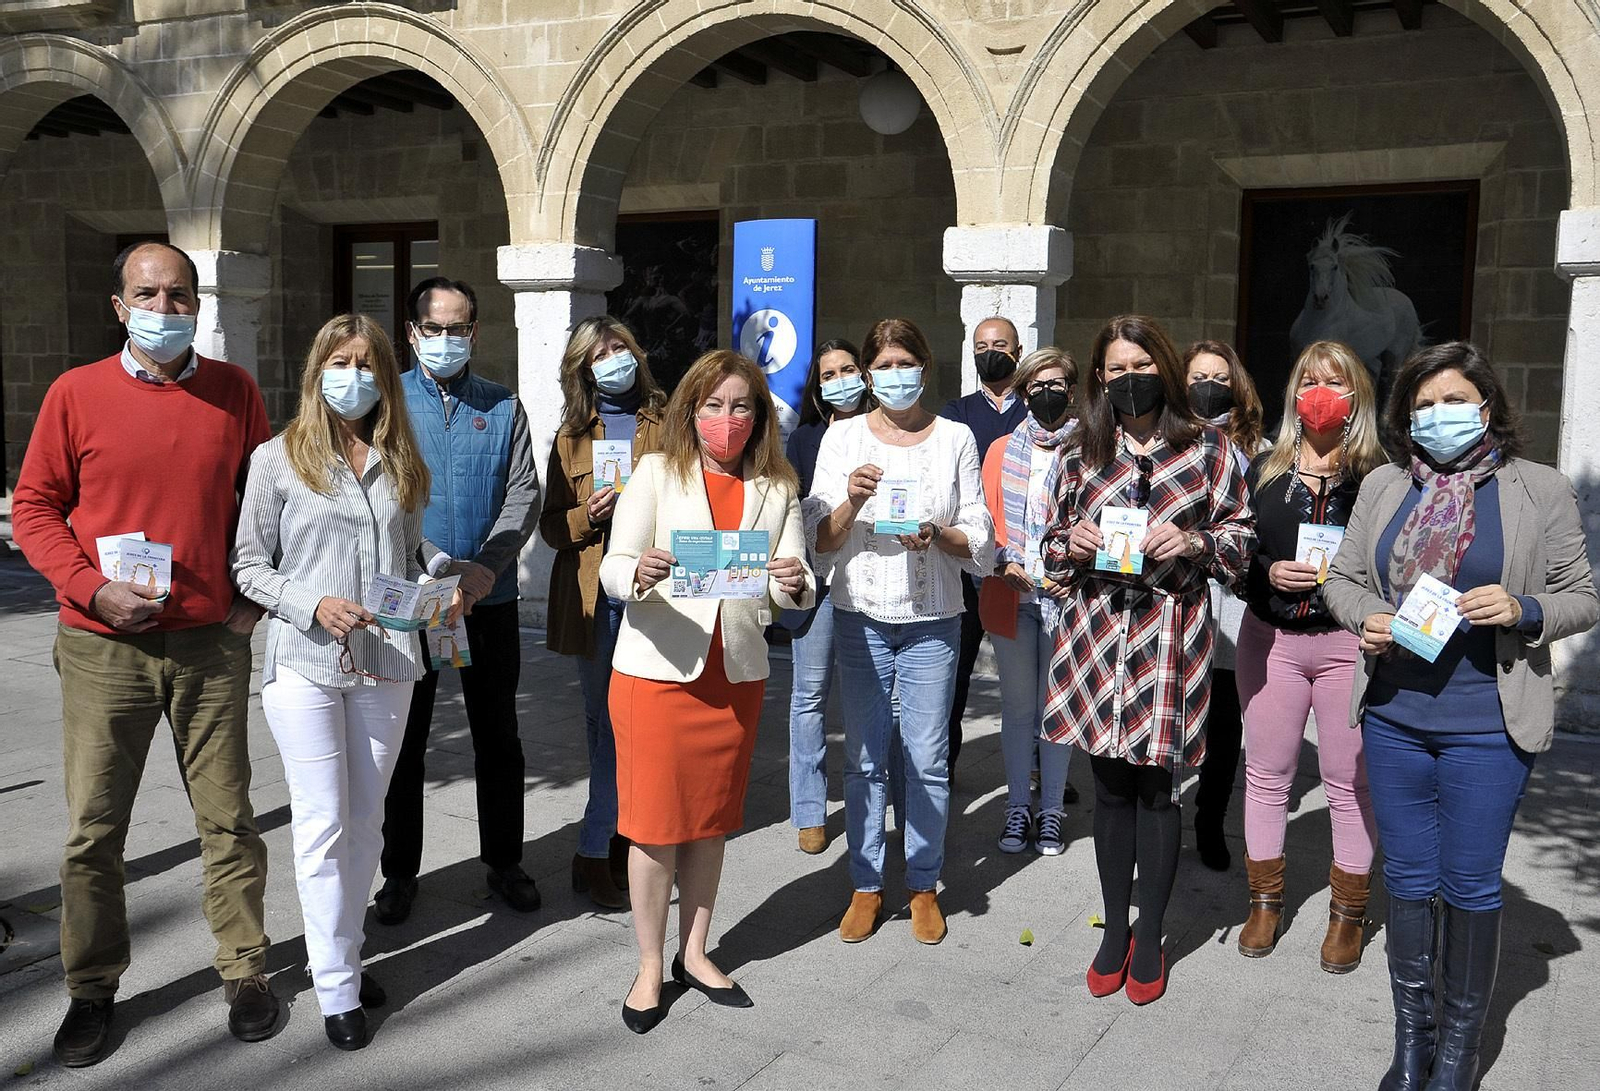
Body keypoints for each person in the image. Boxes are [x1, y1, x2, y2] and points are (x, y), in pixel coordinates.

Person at [12, 241, 277, 1067]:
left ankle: (244, 968)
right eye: (147, 295)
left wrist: (249, 599)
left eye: (179, 296)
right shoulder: (74, 394)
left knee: (228, 819)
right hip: (103, 648)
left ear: (198, 306)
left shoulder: (234, 391)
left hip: (208, 645)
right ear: (119, 307)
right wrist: (91, 588)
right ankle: (91, 987)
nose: (165, 309)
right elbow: (34, 508)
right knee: (95, 828)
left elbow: (266, 504)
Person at [1323, 342, 1598, 1091]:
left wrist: (1525, 606)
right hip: (1394, 717)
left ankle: (1458, 1052)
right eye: (1424, 403)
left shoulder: (1537, 488)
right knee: (1408, 880)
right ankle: (1413, 1044)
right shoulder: (1384, 483)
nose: (1439, 415)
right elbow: (1343, 579)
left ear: (1487, 406)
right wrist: (1368, 616)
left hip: (1489, 725)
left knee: (1471, 883)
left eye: (1455, 400)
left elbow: (1583, 592)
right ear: (1406, 415)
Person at [233, 314, 443, 1052]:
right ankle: (335, 987)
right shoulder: (277, 459)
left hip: (387, 659)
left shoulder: (401, 456)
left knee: (367, 821)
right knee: (322, 824)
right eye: (339, 359)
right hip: (307, 663)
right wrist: (310, 601)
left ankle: (344, 952)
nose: (352, 373)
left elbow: (410, 546)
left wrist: (440, 576)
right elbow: (248, 564)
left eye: (366, 362)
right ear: (318, 367)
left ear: (385, 377)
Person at [1040, 314, 1253, 1004]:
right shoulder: (1077, 453)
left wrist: (1193, 544)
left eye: (1141, 365)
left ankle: (1152, 929)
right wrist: (1069, 544)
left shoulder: (1211, 450)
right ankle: (1113, 930)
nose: (1129, 378)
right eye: (1116, 368)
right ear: (1098, 377)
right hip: (1096, 636)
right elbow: (1046, 547)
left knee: (1158, 788)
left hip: (1168, 634)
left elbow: (1242, 541)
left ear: (1162, 367)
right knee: (1108, 789)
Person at [600, 350, 813, 1033]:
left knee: (713, 822)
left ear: (759, 416)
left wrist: (790, 579)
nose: (728, 419)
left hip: (734, 678)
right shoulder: (658, 472)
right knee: (657, 829)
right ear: (693, 410)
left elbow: (793, 587)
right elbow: (613, 565)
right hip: (657, 675)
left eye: (742, 406)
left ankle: (695, 950)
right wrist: (641, 570)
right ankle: (648, 963)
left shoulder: (778, 486)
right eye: (715, 405)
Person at [812, 318, 995, 945]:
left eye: (905, 362)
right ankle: (866, 883)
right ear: (868, 373)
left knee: (927, 757)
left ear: (925, 366)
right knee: (864, 758)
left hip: (933, 621)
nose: (895, 376)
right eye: (883, 365)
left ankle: (922, 882)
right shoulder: (841, 440)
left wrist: (935, 534)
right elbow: (820, 539)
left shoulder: (956, 439)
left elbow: (981, 539)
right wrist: (852, 502)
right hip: (860, 614)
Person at [376, 277, 541, 926]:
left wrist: (481, 573)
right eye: (435, 327)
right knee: (405, 741)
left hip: (487, 602)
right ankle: (399, 872)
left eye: (461, 327)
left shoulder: (503, 407)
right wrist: (439, 569)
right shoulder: (386, 406)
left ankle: (505, 861)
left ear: (475, 331)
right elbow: (382, 500)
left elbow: (524, 495)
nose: (448, 339)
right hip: (413, 602)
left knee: (498, 736)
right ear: (412, 332)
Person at [1234, 340, 1383, 972]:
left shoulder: (1379, 474)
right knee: (1267, 775)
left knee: (1349, 783)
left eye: (1337, 382)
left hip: (1347, 643)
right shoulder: (1262, 469)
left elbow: (1395, 562)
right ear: (1296, 391)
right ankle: (1265, 902)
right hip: (1271, 640)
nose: (1322, 393)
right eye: (1311, 380)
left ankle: (1347, 915)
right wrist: (1267, 573)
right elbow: (1232, 555)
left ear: (1357, 397)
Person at [540, 315, 668, 909]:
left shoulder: (669, 422)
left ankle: (597, 846)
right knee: (606, 723)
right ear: (583, 369)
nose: (611, 359)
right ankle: (611, 841)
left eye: (619, 347)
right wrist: (586, 515)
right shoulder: (571, 435)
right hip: (593, 597)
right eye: (598, 355)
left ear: (635, 353)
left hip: (654, 590)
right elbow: (550, 529)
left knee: (630, 723)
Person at [977, 347, 1078, 856]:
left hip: (1068, 599)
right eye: (1035, 386)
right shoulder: (998, 450)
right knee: (1019, 709)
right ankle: (1019, 806)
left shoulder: (1093, 448)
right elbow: (980, 520)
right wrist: (1002, 560)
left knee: (1054, 710)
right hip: (1011, 593)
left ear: (1074, 389)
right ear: (1021, 393)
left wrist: (1076, 572)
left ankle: (1053, 810)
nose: (1046, 394)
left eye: (1056, 383)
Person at [784, 338, 877, 854]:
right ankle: (809, 809)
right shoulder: (803, 441)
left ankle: (868, 797)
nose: (840, 380)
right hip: (818, 581)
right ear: (818, 389)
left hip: (868, 576)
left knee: (870, 698)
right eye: (829, 375)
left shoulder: (886, 431)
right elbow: (793, 509)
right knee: (809, 694)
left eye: (848, 369)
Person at [1183, 340, 1265, 872]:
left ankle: (1209, 820)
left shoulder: (1261, 450)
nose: (1208, 386)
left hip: (1233, 603)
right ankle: (1160, 811)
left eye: (1219, 376)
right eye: (1197, 376)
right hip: (1180, 598)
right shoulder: (1162, 442)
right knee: (1173, 713)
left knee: (1224, 724)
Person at [939, 316, 1030, 784]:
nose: (990, 352)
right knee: (955, 673)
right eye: (980, 345)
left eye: (1000, 344)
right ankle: (944, 766)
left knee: (1035, 676)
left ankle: (1036, 766)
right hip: (967, 564)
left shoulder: (1038, 411)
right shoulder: (955, 413)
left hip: (1025, 565)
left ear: (1019, 350)